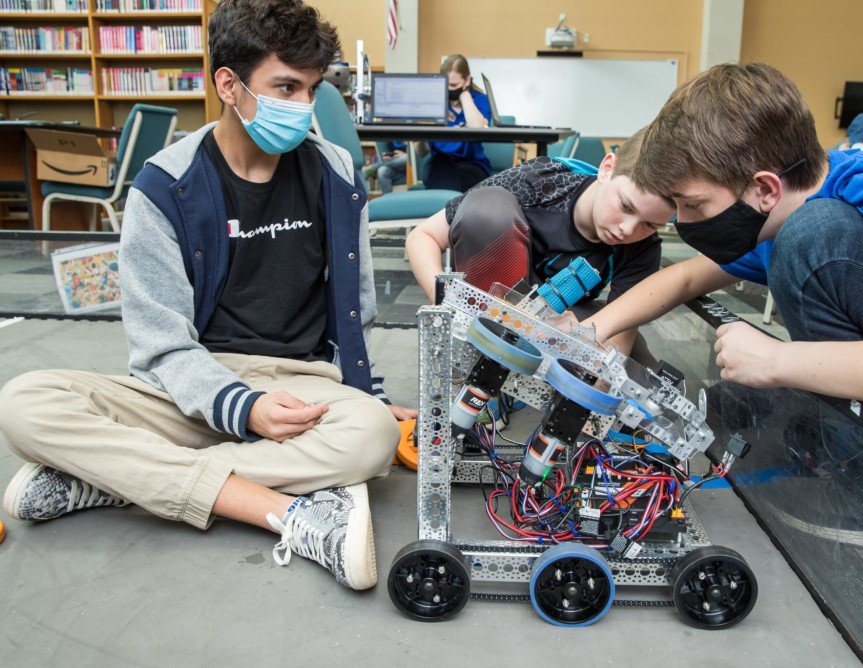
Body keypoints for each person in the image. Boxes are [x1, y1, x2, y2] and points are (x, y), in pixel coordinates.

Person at [0, 0, 416, 590]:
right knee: (24, 402)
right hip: (187, 388)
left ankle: (114, 479)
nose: (304, 108)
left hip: (302, 388)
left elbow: (359, 309)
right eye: (286, 88)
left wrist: (368, 395)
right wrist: (243, 407)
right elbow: (161, 346)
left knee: (371, 435)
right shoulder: (164, 186)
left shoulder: (338, 174)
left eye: (313, 90)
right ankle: (280, 506)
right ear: (228, 84)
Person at [582, 62, 863, 456]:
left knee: (812, 236)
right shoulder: (780, 208)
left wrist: (777, 361)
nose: (681, 221)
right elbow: (684, 279)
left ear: (765, 189)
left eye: (691, 204)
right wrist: (588, 331)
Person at [406, 127, 675, 356]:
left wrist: (593, 381)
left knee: (636, 358)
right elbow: (423, 236)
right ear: (607, 169)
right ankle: (489, 347)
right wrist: (448, 308)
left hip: (558, 316)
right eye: (626, 206)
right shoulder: (539, 180)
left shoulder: (643, 247)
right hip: (489, 301)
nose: (628, 229)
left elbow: (619, 338)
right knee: (486, 210)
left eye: (650, 224)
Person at [417, 54, 493, 192]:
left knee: (460, 175)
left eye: (454, 85)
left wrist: (464, 95)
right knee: (441, 164)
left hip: (472, 164)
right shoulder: (434, 103)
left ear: (467, 80)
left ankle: (442, 203)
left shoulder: (480, 100)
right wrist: (422, 132)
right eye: (445, 84)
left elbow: (477, 127)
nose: (450, 89)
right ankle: (452, 204)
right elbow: (422, 152)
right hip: (439, 163)